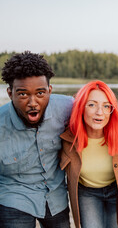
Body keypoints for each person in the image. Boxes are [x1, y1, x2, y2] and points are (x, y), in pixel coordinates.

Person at [0, 51, 72, 228]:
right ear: (10, 93)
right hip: (14, 197)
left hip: (55, 197)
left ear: (49, 90)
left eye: (40, 93)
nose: (33, 102)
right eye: (23, 94)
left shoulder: (66, 107)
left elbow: (102, 117)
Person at [60, 80, 118, 228]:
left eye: (106, 106)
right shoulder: (67, 138)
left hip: (116, 190)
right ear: (81, 108)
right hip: (87, 193)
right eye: (92, 104)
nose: (99, 112)